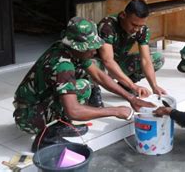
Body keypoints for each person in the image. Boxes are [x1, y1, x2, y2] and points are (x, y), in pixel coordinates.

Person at [13, 17, 154, 150]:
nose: (94, 51)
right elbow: (74, 111)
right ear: (77, 47)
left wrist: (131, 98)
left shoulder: (69, 49)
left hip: (40, 100)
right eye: (90, 47)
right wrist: (116, 111)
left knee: (85, 83)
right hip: (29, 116)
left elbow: (99, 76)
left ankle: (60, 123)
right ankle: (47, 136)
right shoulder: (62, 65)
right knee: (81, 89)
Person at [97, 0, 166, 97]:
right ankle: (94, 90)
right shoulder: (107, 26)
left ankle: (124, 85)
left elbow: (145, 60)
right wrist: (134, 86)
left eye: (140, 25)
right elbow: (107, 61)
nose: (136, 29)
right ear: (123, 15)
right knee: (91, 66)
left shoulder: (142, 29)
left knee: (157, 58)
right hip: (102, 66)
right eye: (133, 24)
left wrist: (154, 86)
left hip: (119, 63)